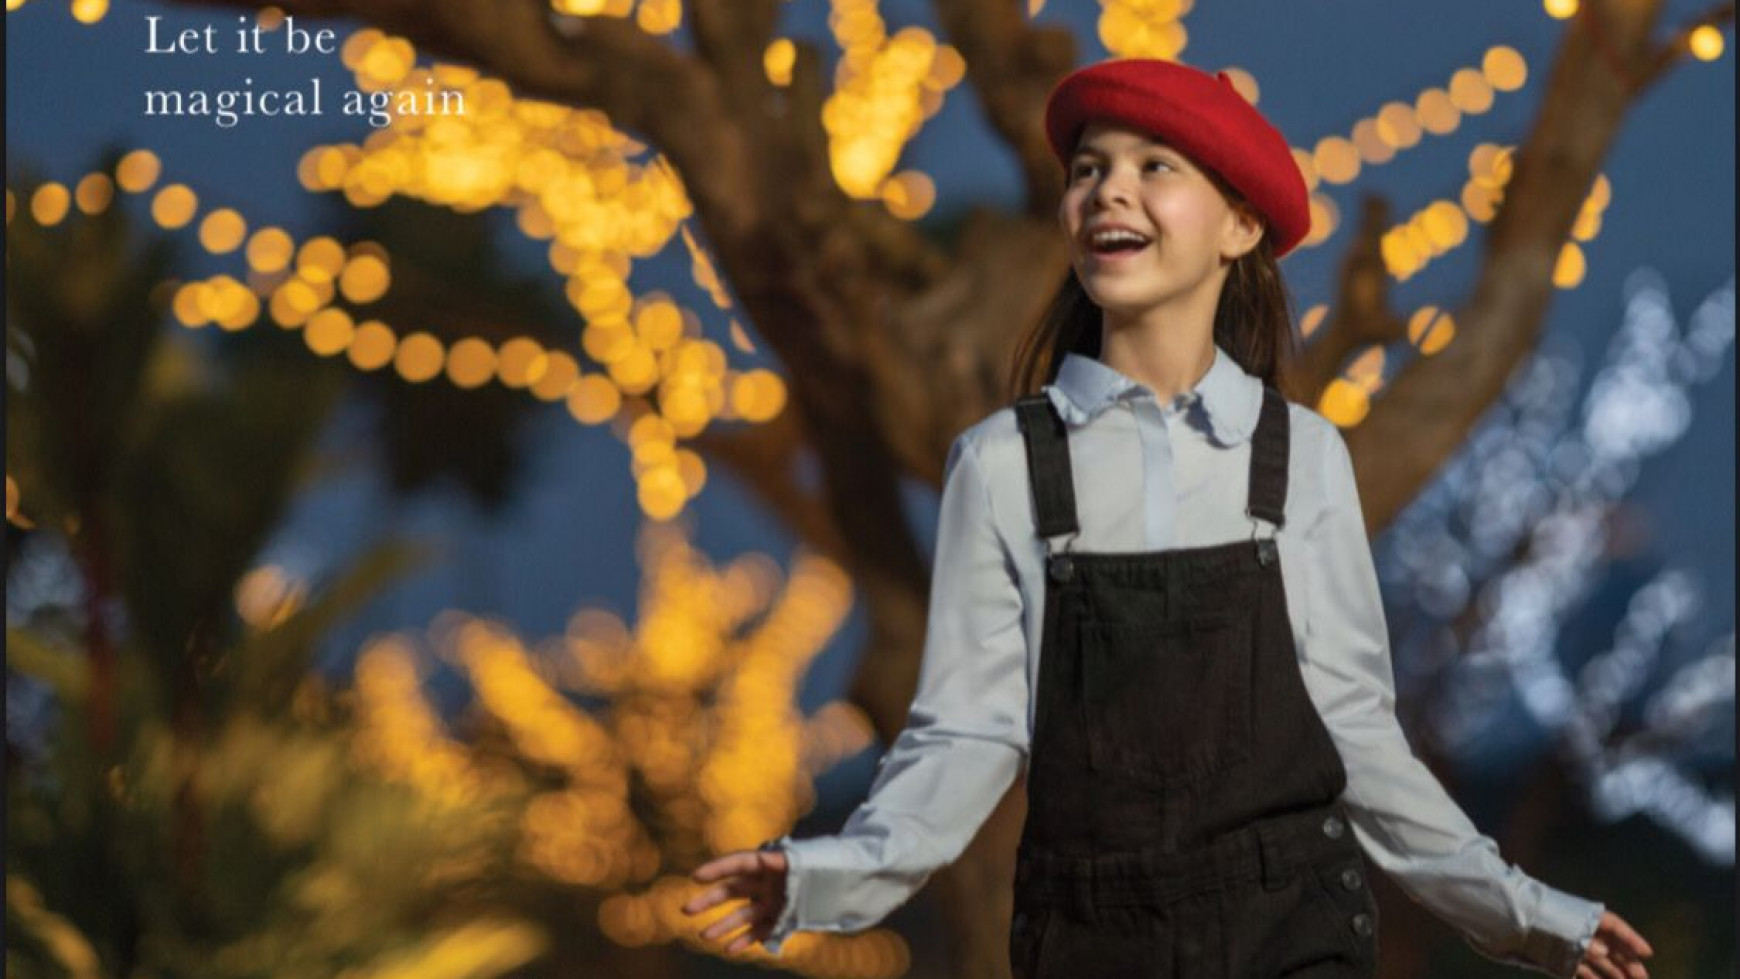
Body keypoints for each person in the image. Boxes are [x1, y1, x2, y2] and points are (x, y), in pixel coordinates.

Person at [680, 58, 1654, 979]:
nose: (1107, 190)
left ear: (1238, 226)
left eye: (1154, 167)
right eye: (1090, 169)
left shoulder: (1303, 457)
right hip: (1085, 943)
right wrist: (823, 878)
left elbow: (1358, 737)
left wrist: (1528, 917)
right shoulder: (1005, 463)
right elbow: (965, 736)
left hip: (1292, 931)